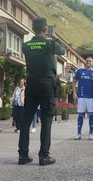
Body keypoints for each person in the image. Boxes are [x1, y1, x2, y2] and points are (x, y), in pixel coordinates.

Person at [18, 17, 65, 166]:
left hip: (31, 83)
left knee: (26, 121)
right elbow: (62, 50)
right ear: (45, 29)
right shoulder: (49, 44)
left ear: (33, 29)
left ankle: (23, 155)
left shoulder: (26, 45)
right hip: (46, 84)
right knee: (46, 120)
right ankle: (44, 155)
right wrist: (53, 37)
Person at [72, 56, 93, 140]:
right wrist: (74, 93)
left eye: (90, 61)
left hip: (91, 97)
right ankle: (78, 133)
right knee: (80, 115)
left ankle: (91, 133)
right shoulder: (79, 71)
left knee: (91, 115)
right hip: (81, 96)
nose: (88, 62)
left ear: (92, 63)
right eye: (87, 61)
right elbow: (74, 81)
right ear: (85, 62)